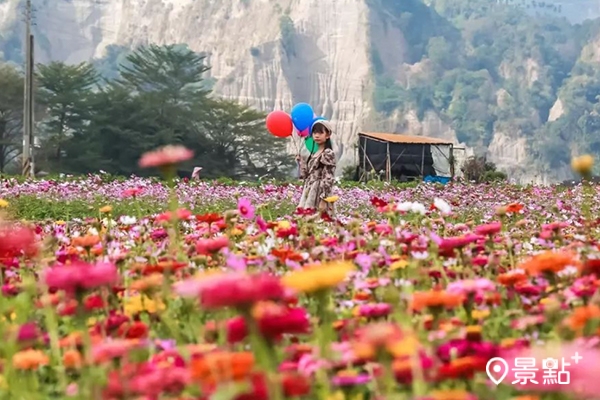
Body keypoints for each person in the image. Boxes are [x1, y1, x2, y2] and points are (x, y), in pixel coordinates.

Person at [296, 119, 336, 214]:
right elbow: (306, 175)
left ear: (328, 135)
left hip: (319, 191)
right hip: (309, 189)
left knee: (320, 218)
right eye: (314, 132)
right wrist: (301, 162)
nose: (317, 135)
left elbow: (328, 177)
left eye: (320, 133)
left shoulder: (328, 153)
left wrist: (324, 199)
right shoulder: (314, 153)